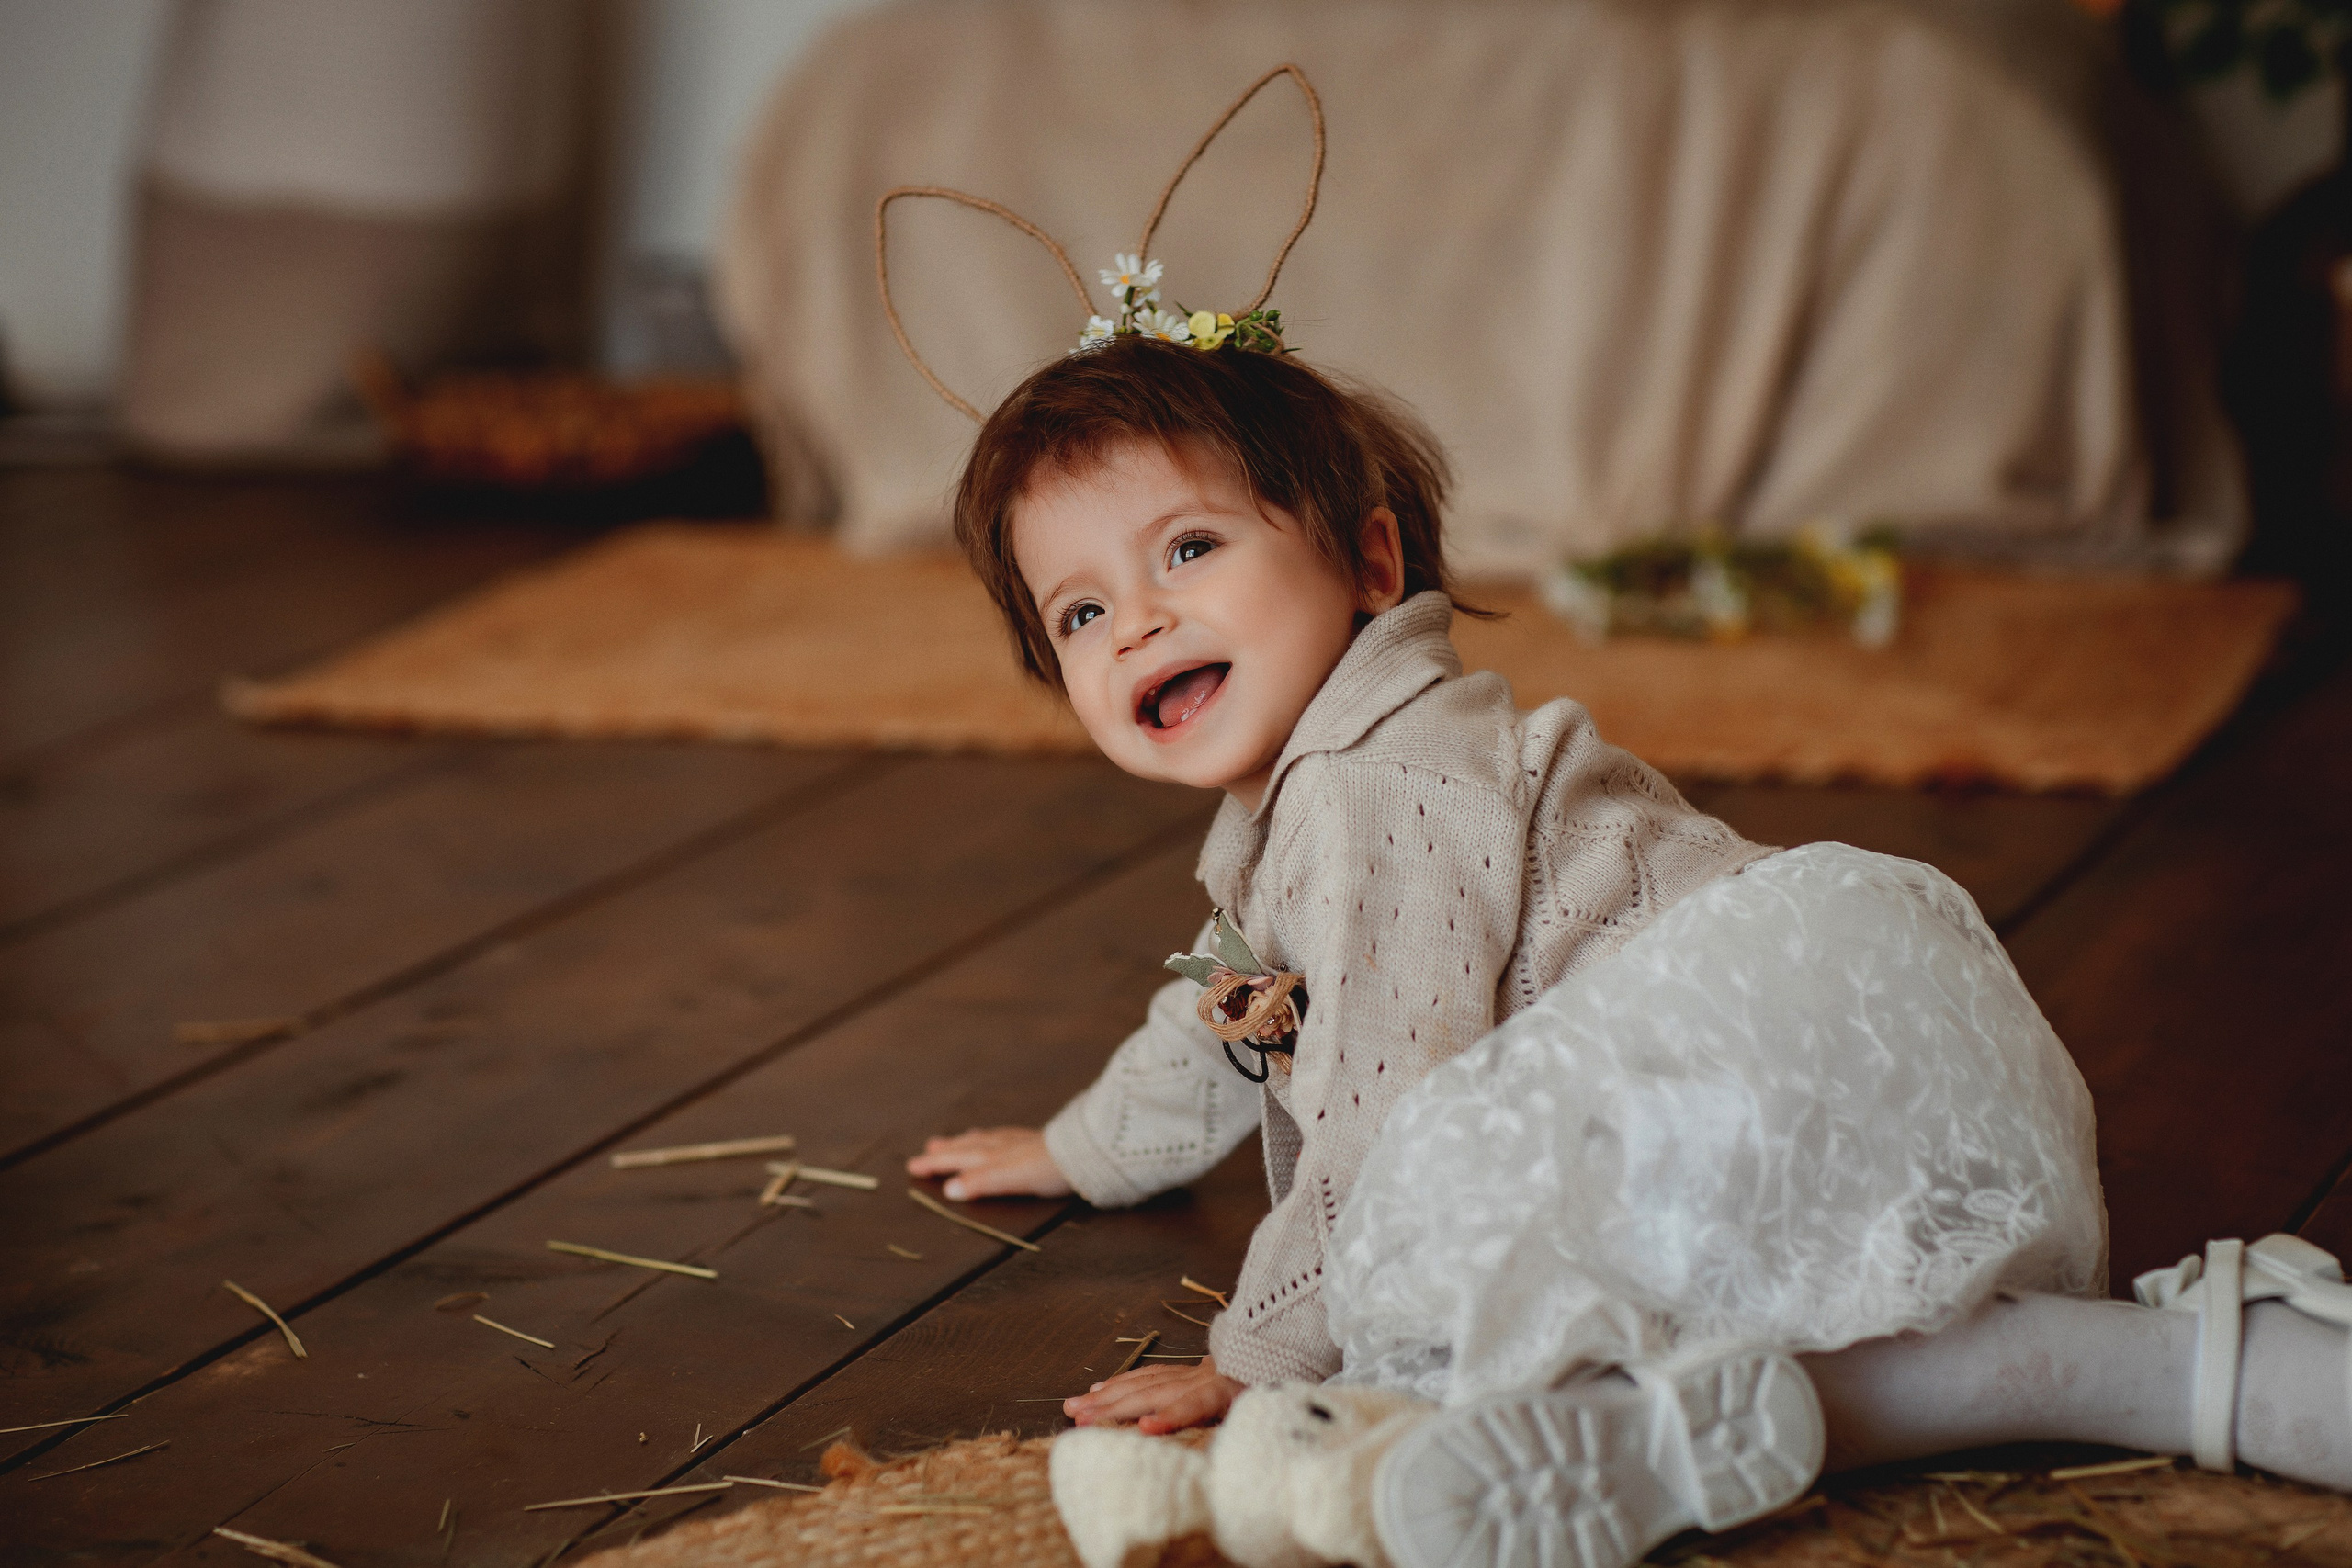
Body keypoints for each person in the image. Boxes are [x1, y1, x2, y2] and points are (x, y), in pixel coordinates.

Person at [904, 333, 2352, 1568]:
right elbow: (1240, 1015)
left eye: (1189, 549)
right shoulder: (1312, 796)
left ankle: (2160, 1368)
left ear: (1367, 560)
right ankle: (1679, 1424)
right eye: (1082, 611)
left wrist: (1254, 1362)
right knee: (1721, 1320)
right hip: (1776, 1069)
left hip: (1743, 1086)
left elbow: (1374, 1102)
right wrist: (1078, 1148)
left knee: (1457, 1295)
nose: (1138, 618)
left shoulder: (1375, 790)